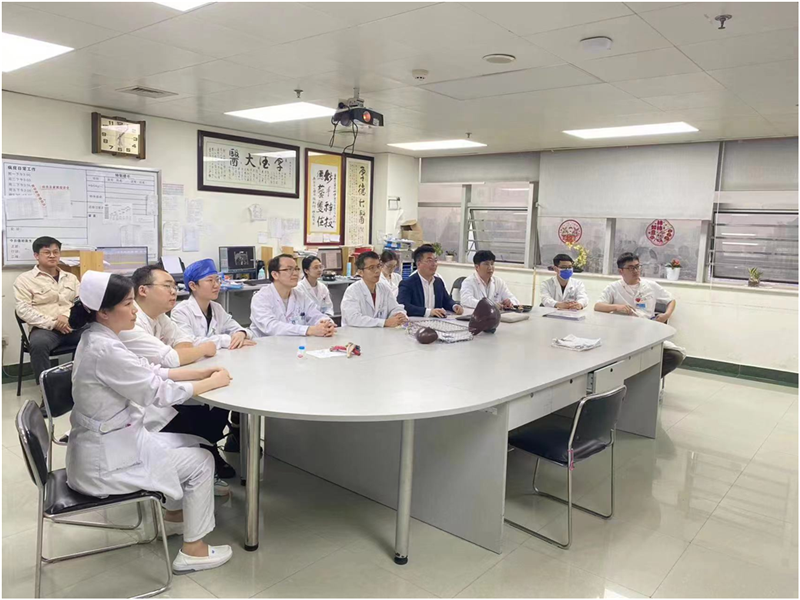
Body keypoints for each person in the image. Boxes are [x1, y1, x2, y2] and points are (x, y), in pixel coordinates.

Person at [66, 271, 234, 574]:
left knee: (194, 442)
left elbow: (149, 371)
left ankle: (173, 518)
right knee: (202, 462)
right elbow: (158, 392)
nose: (134, 310)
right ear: (104, 312)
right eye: (127, 304)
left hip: (115, 442)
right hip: (104, 463)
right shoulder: (105, 349)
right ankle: (194, 551)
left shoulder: (102, 337)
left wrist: (199, 373)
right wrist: (210, 383)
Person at [120, 265, 235, 485]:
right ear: (143, 290)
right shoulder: (131, 323)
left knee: (215, 399)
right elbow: (173, 358)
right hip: (141, 408)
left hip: (160, 384)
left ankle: (209, 450)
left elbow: (183, 343)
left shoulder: (159, 317)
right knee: (203, 408)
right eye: (167, 286)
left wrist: (187, 355)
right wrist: (202, 350)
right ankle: (204, 458)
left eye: (174, 286)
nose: (174, 291)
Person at [595, 252, 686, 378]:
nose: (635, 271)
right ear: (621, 271)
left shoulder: (650, 286)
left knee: (675, 355)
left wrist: (666, 315)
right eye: (631, 268)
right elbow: (598, 306)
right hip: (621, 335)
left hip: (646, 332)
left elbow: (671, 300)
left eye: (637, 267)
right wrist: (616, 307)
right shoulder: (613, 288)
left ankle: (647, 380)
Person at [14, 236, 83, 384]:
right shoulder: (24, 280)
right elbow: (23, 309)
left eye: (55, 252)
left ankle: (85, 381)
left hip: (71, 325)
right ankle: (47, 391)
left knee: (96, 333)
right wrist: (54, 323)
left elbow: (80, 302)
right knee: (38, 345)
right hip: (44, 329)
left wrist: (66, 317)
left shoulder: (71, 278)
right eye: (47, 252)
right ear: (36, 255)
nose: (52, 256)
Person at [170, 258, 256, 350]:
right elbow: (189, 343)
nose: (216, 285)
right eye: (210, 280)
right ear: (193, 286)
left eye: (217, 280)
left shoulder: (216, 308)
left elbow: (237, 328)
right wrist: (226, 340)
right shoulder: (180, 312)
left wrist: (241, 333)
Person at [250, 254, 336, 337]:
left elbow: (316, 315)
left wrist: (327, 324)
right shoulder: (261, 298)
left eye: (296, 269)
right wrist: (307, 330)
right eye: (289, 269)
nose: (295, 273)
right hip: (267, 344)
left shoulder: (300, 296)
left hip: (296, 344)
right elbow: (271, 327)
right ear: (275, 274)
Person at [341, 251, 408, 328]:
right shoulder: (352, 291)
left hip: (380, 332)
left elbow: (395, 307)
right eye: (371, 268)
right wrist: (384, 322)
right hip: (356, 333)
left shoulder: (384, 289)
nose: (377, 271)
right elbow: (353, 318)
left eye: (378, 266)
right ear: (360, 272)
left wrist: (399, 315)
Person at [397, 244, 464, 318]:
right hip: (415, 321)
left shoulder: (438, 282)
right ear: (418, 264)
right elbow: (403, 305)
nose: (433, 264)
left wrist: (454, 306)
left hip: (436, 321)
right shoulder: (408, 283)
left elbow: (447, 300)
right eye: (429, 261)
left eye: (435, 260)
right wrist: (428, 312)